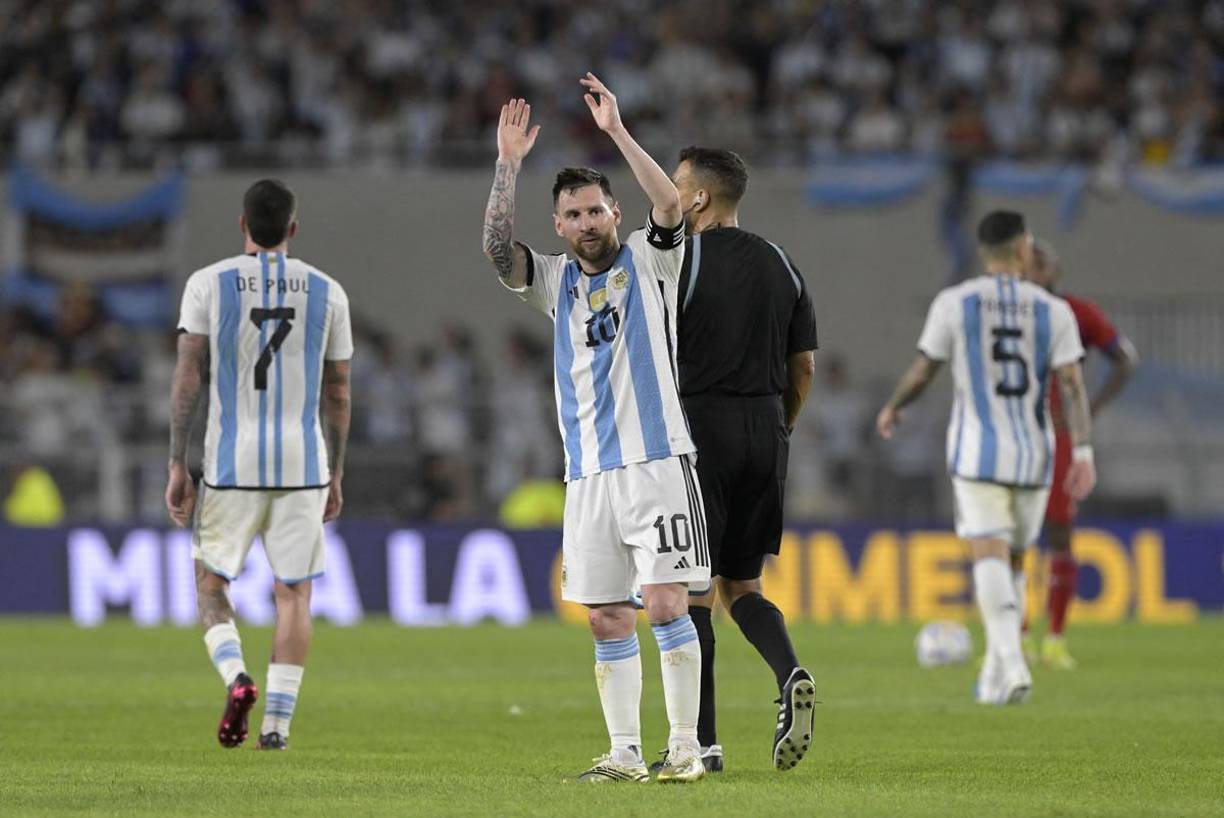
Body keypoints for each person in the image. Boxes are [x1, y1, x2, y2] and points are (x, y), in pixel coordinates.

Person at [481, 76, 709, 783]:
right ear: (559, 226)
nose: (586, 223)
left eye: (595, 210)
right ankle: (625, 754)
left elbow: (670, 203)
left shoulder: (651, 258)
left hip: (658, 462)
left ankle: (686, 749)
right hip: (588, 476)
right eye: (573, 215)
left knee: (668, 603)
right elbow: (496, 251)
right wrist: (507, 164)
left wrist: (615, 130)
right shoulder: (553, 282)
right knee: (608, 617)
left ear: (615, 212)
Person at [876, 210, 1096, 705]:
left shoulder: (956, 303)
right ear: (1023, 250)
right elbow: (1073, 385)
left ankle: (1012, 660)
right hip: (1036, 454)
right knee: (1015, 557)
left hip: (978, 450)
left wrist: (893, 407)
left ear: (983, 252)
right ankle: (999, 670)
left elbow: (923, 371)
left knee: (987, 553)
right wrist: (1081, 449)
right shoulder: (1052, 310)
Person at [166, 179, 353, 750]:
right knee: (293, 594)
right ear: (292, 229)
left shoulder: (208, 284)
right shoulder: (328, 292)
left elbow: (188, 376)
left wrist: (178, 462)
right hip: (303, 463)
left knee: (211, 584)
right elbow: (339, 391)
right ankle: (276, 726)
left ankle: (236, 677)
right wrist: (336, 471)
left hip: (231, 462)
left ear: (240, 223)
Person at [665, 146, 818, 773]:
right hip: (767, 429)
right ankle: (790, 673)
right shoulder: (782, 262)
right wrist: (780, 425)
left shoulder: (681, 259)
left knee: (695, 592)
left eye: (677, 186)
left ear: (699, 198)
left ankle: (702, 742)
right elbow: (803, 365)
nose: (670, 195)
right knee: (743, 585)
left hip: (701, 430)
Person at [1022, 238, 1137, 669]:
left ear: (1055, 270)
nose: (1032, 265)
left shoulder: (1077, 314)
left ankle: (1053, 639)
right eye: (1027, 259)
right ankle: (1016, 640)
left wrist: (1094, 408)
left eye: (1041, 261)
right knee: (1009, 535)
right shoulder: (1006, 312)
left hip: (1060, 437)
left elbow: (1126, 359)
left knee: (1058, 533)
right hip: (1014, 433)